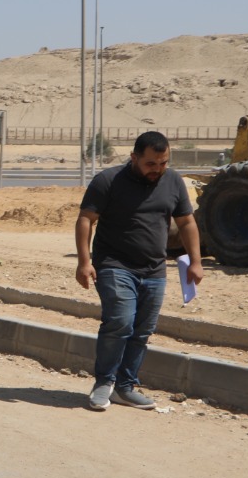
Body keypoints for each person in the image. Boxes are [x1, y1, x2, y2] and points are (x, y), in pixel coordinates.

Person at [76, 131, 202, 411]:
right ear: (134, 157)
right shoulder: (108, 181)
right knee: (120, 322)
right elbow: (86, 219)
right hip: (114, 265)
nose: (157, 169)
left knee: (142, 331)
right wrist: (84, 262)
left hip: (154, 270)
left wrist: (195, 261)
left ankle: (125, 388)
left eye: (163, 163)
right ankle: (104, 382)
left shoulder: (173, 181)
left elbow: (186, 223)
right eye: (150, 164)